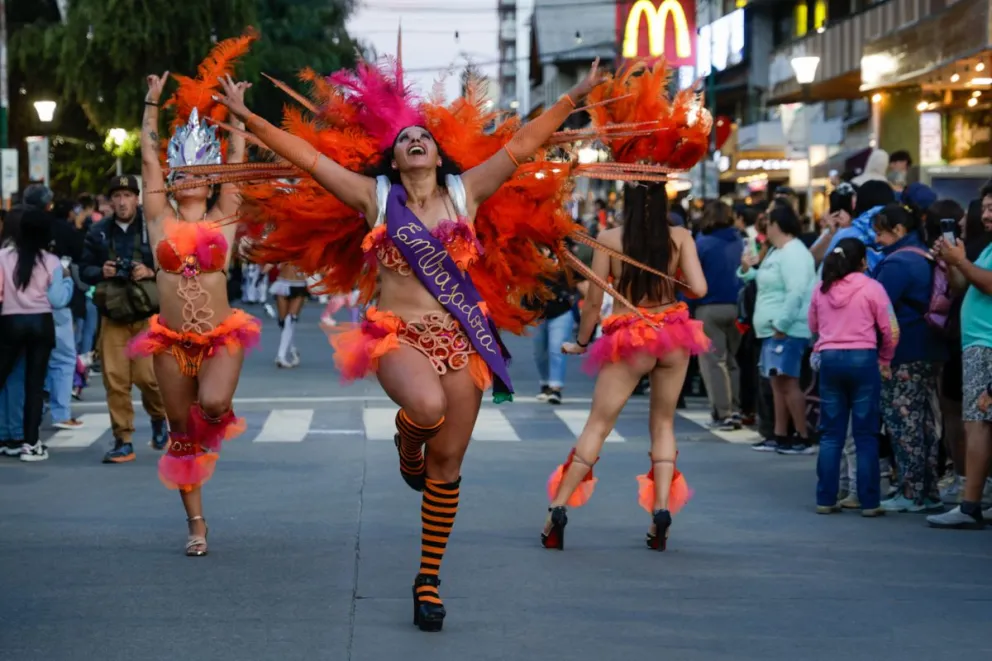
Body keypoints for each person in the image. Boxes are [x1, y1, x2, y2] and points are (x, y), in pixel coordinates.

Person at [129, 33, 260, 557]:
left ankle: (210, 434)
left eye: (202, 175)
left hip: (219, 337)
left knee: (213, 403)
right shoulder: (157, 219)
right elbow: (147, 160)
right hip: (169, 341)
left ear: (210, 183)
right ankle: (197, 524)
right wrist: (152, 103)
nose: (191, 181)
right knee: (180, 433)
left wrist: (240, 114)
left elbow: (239, 160)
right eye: (183, 173)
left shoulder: (224, 218)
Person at [544, 181, 709, 551]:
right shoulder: (679, 235)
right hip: (673, 334)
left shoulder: (610, 238)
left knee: (598, 425)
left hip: (629, 336)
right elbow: (699, 288)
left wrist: (583, 341)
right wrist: (672, 279)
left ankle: (558, 507)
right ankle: (661, 511)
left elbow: (593, 301)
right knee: (664, 424)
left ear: (628, 200)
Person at [80, 175, 169, 461]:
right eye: (116, 196)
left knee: (149, 378)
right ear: (109, 201)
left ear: (137, 198)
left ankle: (158, 419)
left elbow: (173, 263)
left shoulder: (153, 227)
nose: (122, 202)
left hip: (146, 316)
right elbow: (84, 270)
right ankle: (123, 439)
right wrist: (100, 272)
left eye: (127, 195)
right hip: (113, 316)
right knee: (115, 380)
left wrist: (150, 271)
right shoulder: (98, 231)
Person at [809, 238, 898, 515]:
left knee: (831, 435)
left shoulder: (821, 290)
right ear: (862, 262)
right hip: (864, 359)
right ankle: (869, 502)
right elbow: (891, 330)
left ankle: (826, 498)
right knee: (866, 434)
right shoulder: (873, 288)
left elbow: (813, 325)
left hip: (831, 361)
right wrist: (885, 358)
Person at [871, 203, 944, 513]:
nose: (876, 240)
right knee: (925, 421)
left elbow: (877, 308)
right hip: (930, 347)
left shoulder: (897, 264)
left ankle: (910, 491)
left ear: (898, 230)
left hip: (902, 350)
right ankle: (927, 489)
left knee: (903, 422)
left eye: (880, 233)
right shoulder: (925, 256)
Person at [928, 181, 992, 528]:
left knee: (977, 424)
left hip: (987, 344)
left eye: (991, 208)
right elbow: (960, 285)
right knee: (978, 423)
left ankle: (970, 505)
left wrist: (961, 261)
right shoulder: (987, 248)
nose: (984, 215)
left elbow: (987, 283)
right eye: (984, 208)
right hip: (977, 344)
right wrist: (952, 261)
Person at [740, 204, 817, 455]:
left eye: (769, 225)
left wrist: (782, 324)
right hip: (773, 329)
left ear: (777, 225)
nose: (766, 230)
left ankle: (802, 435)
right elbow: (762, 279)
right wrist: (746, 269)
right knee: (776, 382)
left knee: (788, 382)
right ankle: (780, 434)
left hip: (787, 329)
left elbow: (796, 291)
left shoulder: (794, 253)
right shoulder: (777, 251)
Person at [0, 210, 73, 461]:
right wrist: (68, 281)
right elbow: (58, 299)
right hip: (42, 324)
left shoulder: (3, 257)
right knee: (34, 386)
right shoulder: (51, 261)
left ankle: (7, 437)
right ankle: (30, 443)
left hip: (10, 323)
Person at [694, 200, 744, 430]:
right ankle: (735, 408)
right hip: (738, 307)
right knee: (732, 361)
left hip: (709, 306)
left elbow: (691, 278)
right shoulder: (741, 242)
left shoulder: (702, 244)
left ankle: (722, 412)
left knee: (714, 362)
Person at [269, 262, 307, 368]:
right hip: (283, 283)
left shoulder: (309, 247)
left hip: (299, 285)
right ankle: (292, 349)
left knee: (290, 320)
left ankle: (280, 356)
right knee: (283, 322)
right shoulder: (283, 246)